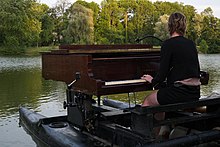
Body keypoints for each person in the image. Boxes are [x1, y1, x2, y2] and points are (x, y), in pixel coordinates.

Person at [141, 12, 201, 137]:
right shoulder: (191, 44)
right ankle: (164, 132)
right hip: (194, 92)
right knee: (160, 97)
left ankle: (150, 139)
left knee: (147, 102)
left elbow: (161, 75)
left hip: (180, 93)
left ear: (169, 26)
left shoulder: (168, 44)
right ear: (184, 26)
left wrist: (152, 80)